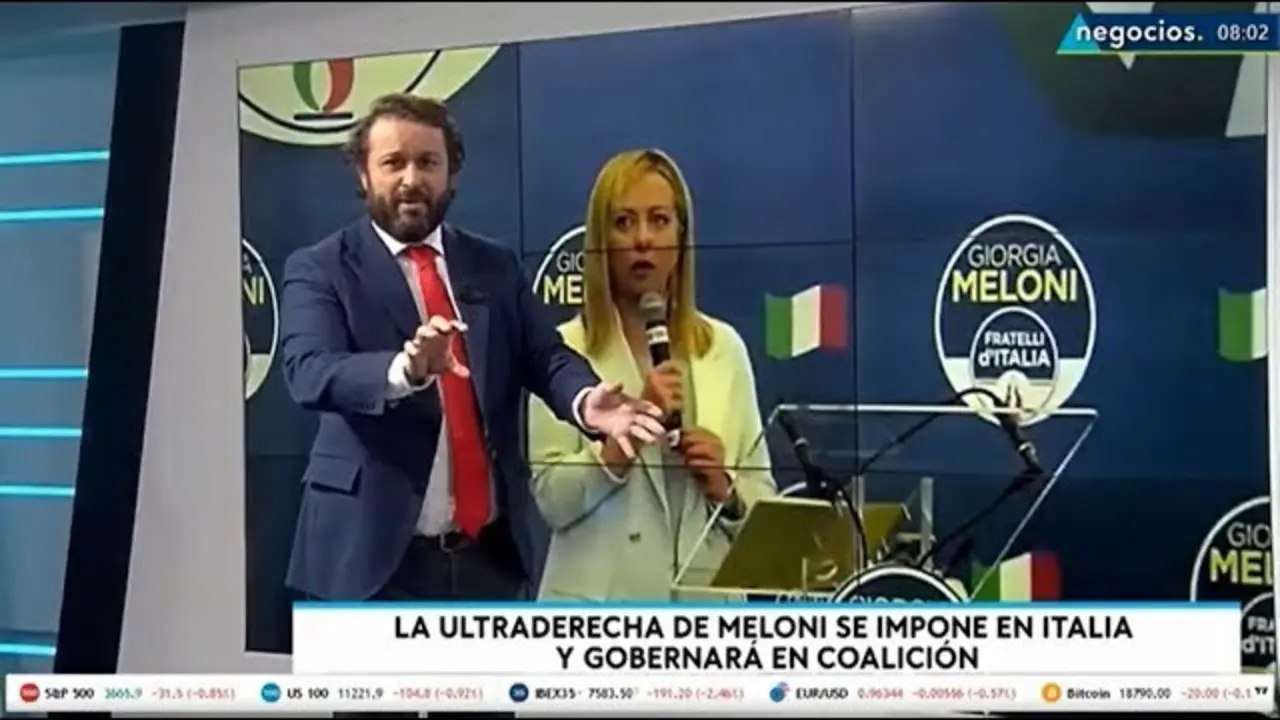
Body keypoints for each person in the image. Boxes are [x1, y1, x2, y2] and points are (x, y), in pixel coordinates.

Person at [278, 94, 664, 607]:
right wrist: (404, 370)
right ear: (363, 175)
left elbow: (544, 356)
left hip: (488, 563)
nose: (411, 179)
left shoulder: (493, 264)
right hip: (367, 565)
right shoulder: (321, 268)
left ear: (451, 175)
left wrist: (584, 400)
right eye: (393, 163)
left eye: (428, 162)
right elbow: (310, 371)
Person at [527, 148, 777, 601]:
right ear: (601, 240)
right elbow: (552, 500)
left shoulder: (723, 348)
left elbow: (762, 495)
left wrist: (725, 487)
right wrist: (626, 438)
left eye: (659, 220)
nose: (643, 239)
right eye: (624, 222)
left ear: (681, 236)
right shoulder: (564, 351)